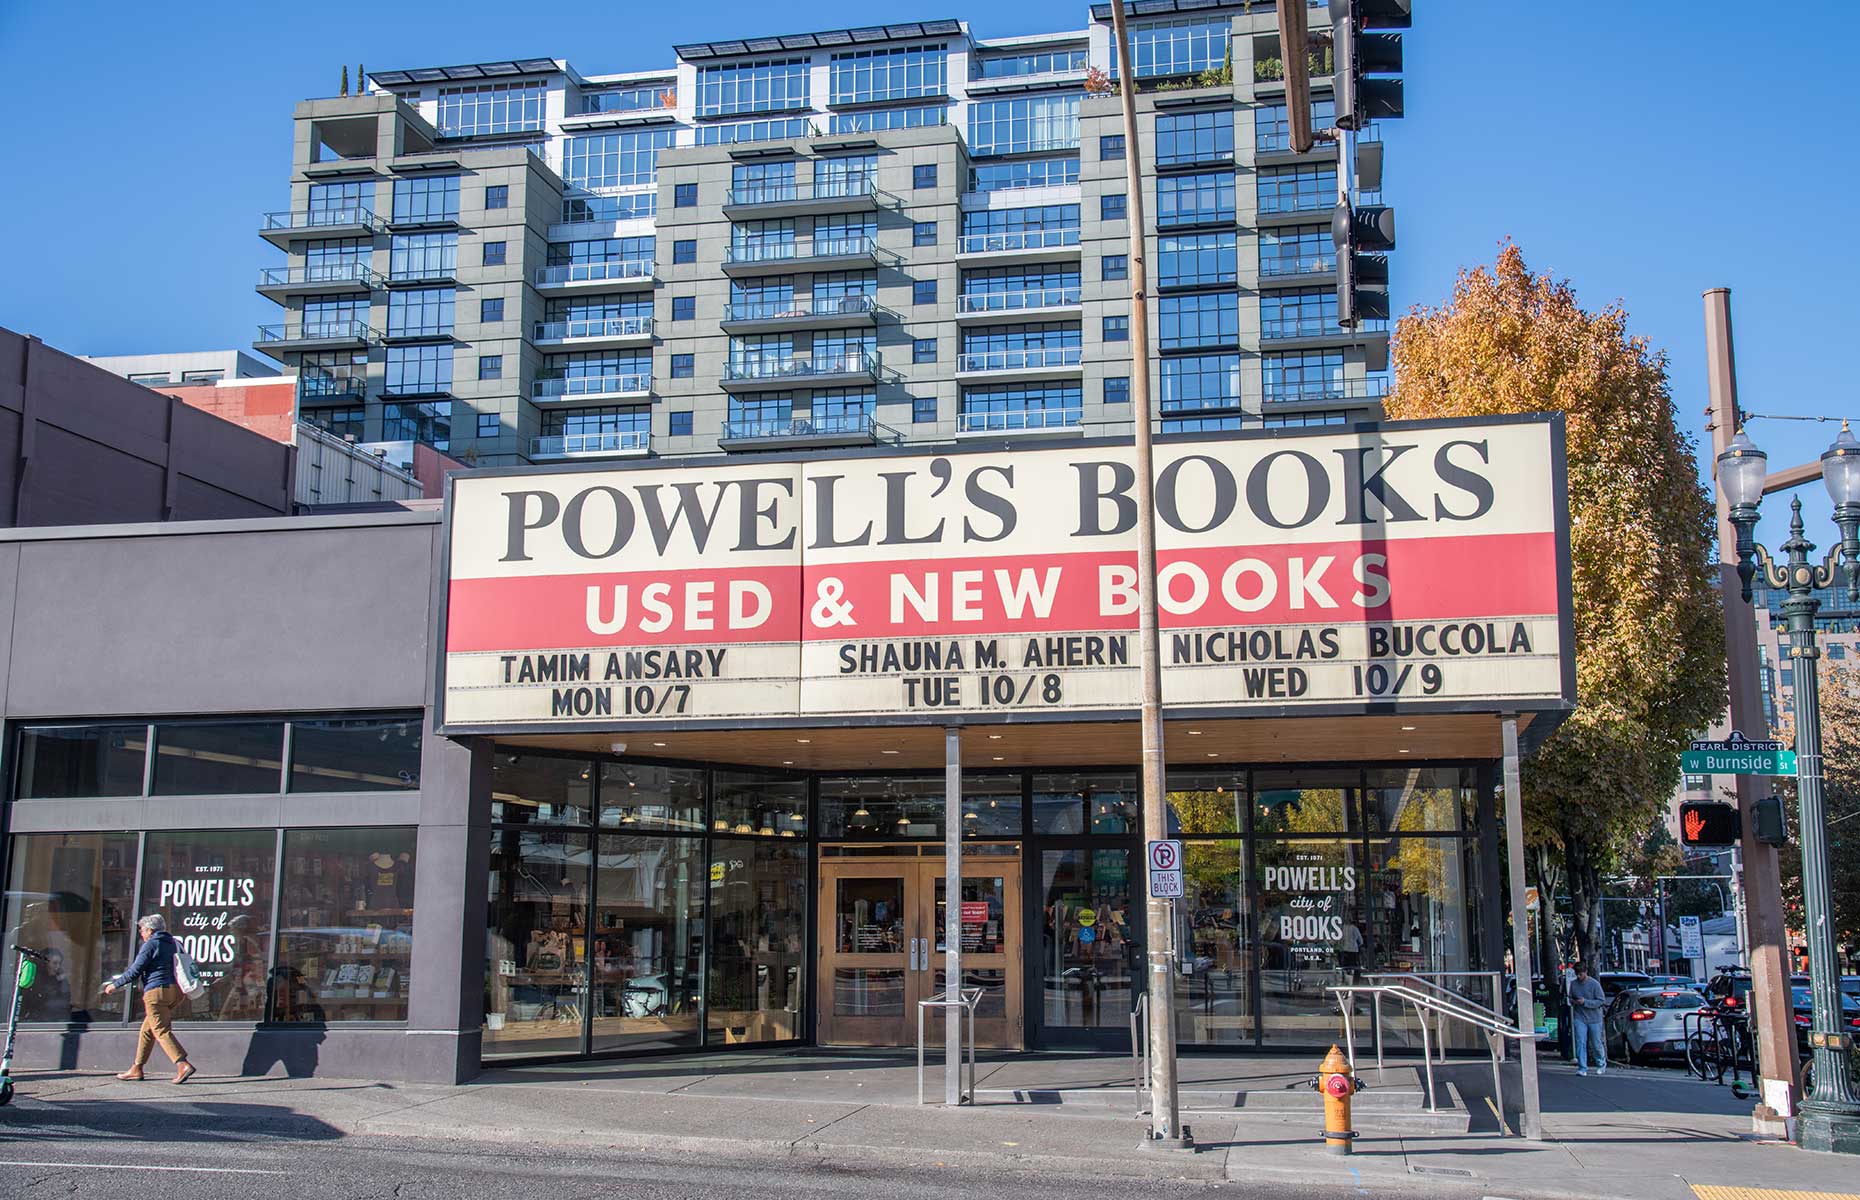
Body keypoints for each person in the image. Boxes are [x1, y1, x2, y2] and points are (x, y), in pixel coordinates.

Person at [101, 914, 196, 1084]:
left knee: (160, 1029)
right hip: (176, 991)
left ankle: (182, 1064)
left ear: (150, 930)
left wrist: (115, 985)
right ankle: (137, 1068)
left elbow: (135, 970)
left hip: (156, 992)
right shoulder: (174, 942)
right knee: (148, 1029)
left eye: (142, 930)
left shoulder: (151, 944)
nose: (141, 933)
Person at [1568, 962, 1608, 1077]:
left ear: (1586, 972)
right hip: (1580, 1016)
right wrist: (1574, 1001)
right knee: (1580, 1041)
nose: (1579, 977)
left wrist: (1585, 1002)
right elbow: (1570, 997)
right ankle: (1582, 1067)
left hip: (1594, 1018)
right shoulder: (1574, 984)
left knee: (1596, 1043)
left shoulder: (1594, 984)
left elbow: (1601, 1001)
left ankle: (1601, 1063)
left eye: (1580, 974)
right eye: (1577, 974)